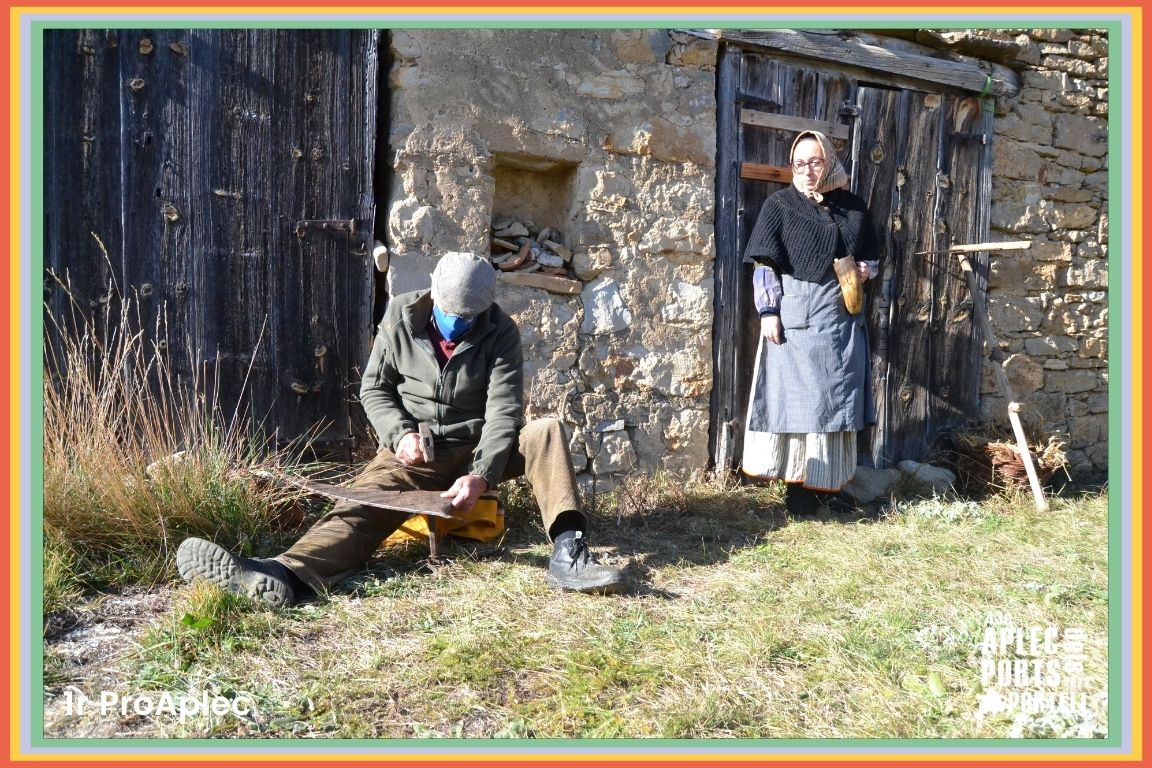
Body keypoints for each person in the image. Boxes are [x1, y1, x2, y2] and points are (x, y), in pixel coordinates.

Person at [177, 251, 626, 606]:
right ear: (433, 292)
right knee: (362, 505)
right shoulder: (399, 315)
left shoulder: (501, 332)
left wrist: (482, 475)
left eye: (469, 317)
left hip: (477, 450)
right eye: (451, 312)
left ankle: (569, 552)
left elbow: (503, 412)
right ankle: (283, 574)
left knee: (545, 431)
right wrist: (400, 435)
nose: (458, 323)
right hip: (416, 454)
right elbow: (374, 389)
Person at [741, 130, 880, 515]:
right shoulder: (779, 205)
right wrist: (768, 312)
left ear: (829, 162)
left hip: (840, 318)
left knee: (835, 403)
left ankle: (829, 486)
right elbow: (764, 263)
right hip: (795, 319)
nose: (806, 170)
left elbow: (871, 254)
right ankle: (798, 491)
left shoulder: (853, 206)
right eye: (799, 163)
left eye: (815, 162)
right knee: (798, 406)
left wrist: (865, 270)